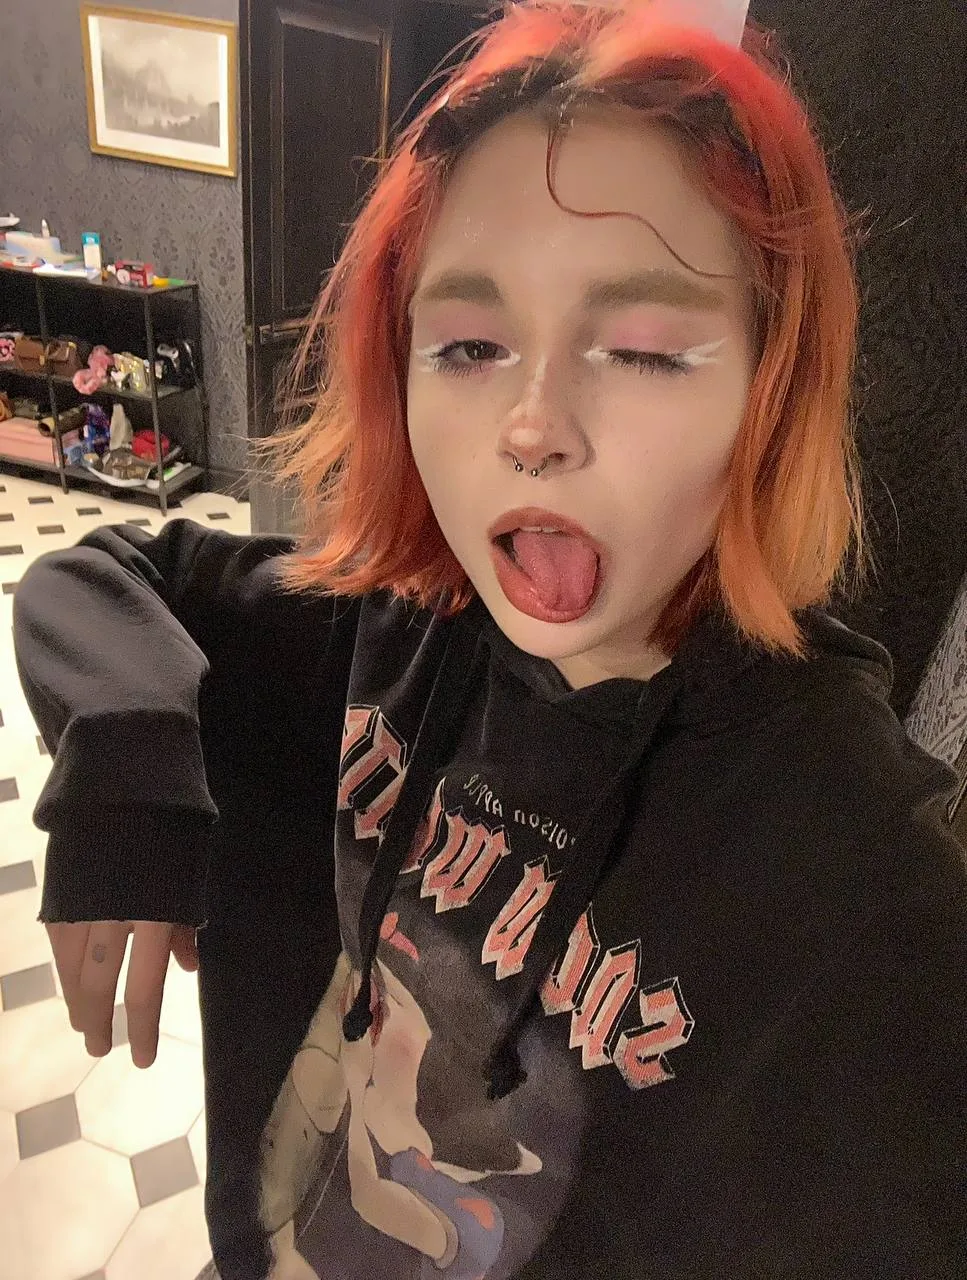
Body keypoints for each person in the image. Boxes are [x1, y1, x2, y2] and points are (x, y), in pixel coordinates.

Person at [12, 2, 966, 1277]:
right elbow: (104, 574)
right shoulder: (391, 624)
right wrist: (125, 759)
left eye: (641, 350)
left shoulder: (848, 855)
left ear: (769, 388)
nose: (531, 425)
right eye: (467, 344)